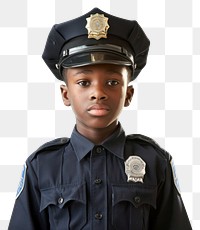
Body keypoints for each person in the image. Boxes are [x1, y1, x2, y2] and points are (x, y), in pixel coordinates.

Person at [9, 8, 192, 230]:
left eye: (113, 82)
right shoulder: (42, 166)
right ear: (66, 94)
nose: (98, 92)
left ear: (129, 94)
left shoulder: (155, 162)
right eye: (84, 82)